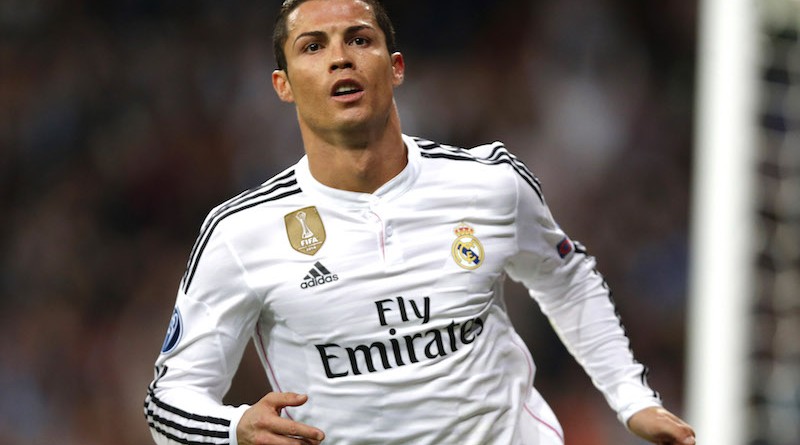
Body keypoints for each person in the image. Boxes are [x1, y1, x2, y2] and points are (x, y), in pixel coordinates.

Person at [143, 0, 697, 444]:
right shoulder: (243, 232)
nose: (341, 58)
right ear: (282, 84)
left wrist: (633, 399)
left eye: (360, 39)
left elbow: (567, 277)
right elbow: (169, 400)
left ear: (397, 66)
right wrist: (234, 428)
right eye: (313, 46)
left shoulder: (490, 184)